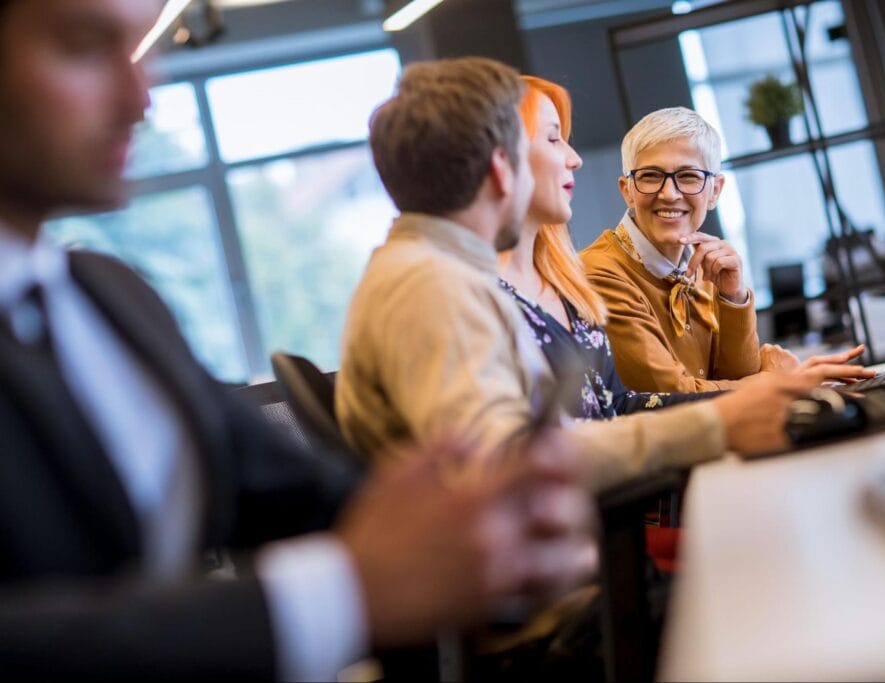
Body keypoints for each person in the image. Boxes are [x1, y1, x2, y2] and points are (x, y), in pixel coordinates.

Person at [0, 1, 596, 678]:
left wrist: (483, 531)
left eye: (138, 53)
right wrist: (342, 593)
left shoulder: (107, 295)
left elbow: (307, 497)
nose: (141, 98)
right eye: (82, 47)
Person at [336, 56, 851, 492]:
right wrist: (720, 420)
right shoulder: (430, 286)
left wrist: (749, 396)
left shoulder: (443, 274)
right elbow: (506, 467)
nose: (576, 160)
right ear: (503, 166)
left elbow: (606, 410)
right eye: (553, 141)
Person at [579, 107, 873, 393]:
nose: (669, 194)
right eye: (651, 176)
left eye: (689, 176)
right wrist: (780, 381)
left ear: (715, 191)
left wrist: (733, 297)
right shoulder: (598, 273)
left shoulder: (703, 264)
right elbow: (673, 395)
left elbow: (735, 378)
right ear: (627, 189)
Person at [499, 75, 723, 420]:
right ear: (502, 159)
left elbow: (615, 405)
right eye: (553, 138)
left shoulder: (562, 281)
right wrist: (767, 387)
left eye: (689, 177)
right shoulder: (481, 297)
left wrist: (736, 302)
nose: (575, 158)